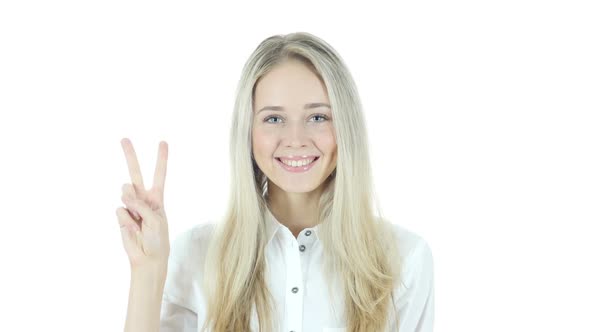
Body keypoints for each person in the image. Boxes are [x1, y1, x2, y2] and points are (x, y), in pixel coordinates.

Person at [116, 31, 434, 332]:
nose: (295, 140)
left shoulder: (405, 259)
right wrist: (147, 271)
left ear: (345, 127)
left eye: (318, 117)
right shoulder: (196, 255)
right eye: (274, 118)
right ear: (249, 133)